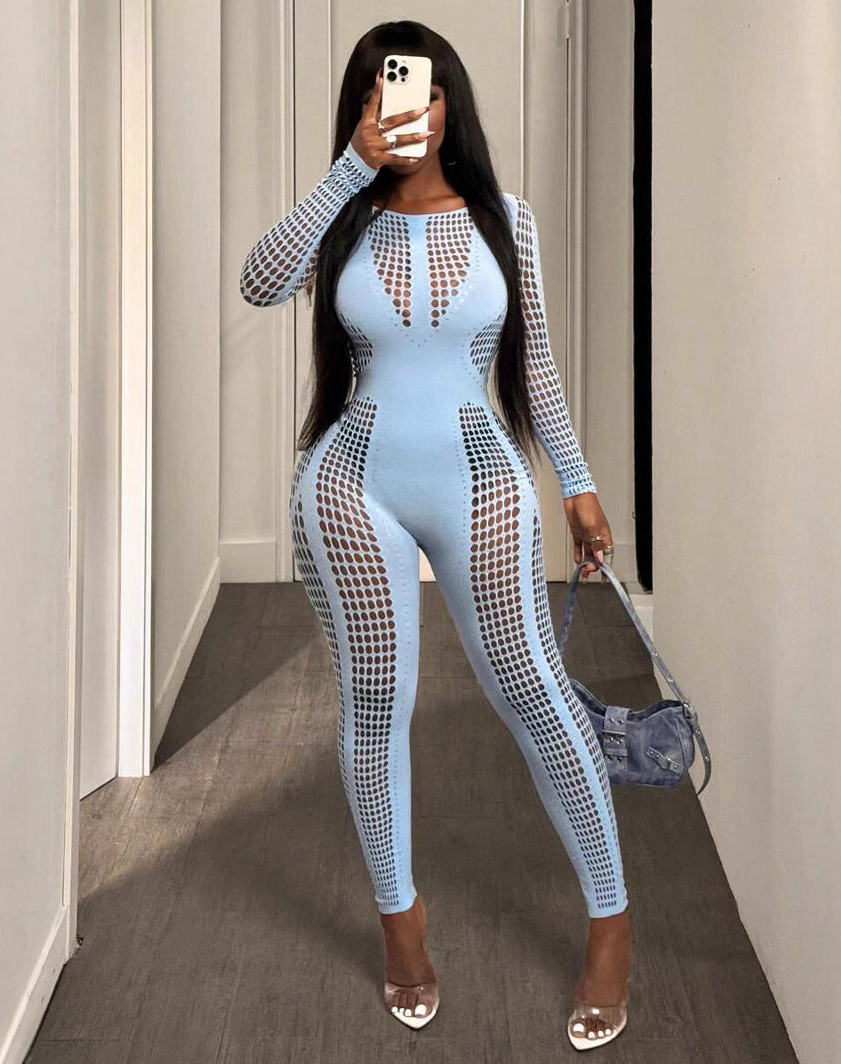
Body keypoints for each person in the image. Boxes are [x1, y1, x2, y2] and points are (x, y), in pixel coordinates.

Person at [239, 20, 632, 1051]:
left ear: (449, 102)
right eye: (381, 93)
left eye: (419, 90)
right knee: (377, 704)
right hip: (350, 485)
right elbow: (257, 281)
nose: (405, 109)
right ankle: (401, 926)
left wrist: (580, 485)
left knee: (535, 691)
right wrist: (348, 169)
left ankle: (610, 922)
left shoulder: (508, 220)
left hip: (481, 480)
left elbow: (532, 367)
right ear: (362, 109)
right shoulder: (343, 214)